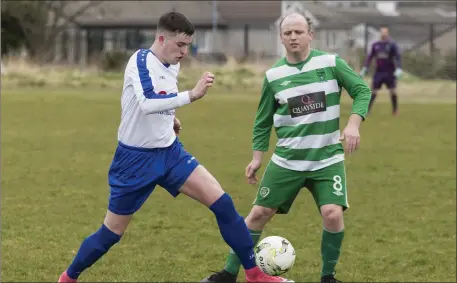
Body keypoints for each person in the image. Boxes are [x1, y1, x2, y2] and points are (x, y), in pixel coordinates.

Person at [58, 12, 292, 283]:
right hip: (134, 161)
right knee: (111, 233)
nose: (185, 51)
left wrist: (170, 120)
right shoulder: (140, 60)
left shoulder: (173, 64)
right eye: (180, 45)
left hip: (170, 154)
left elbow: (160, 100)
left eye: (188, 45)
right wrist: (191, 95)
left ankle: (254, 276)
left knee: (224, 204)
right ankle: (68, 277)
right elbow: (146, 102)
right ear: (161, 38)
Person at [201, 12, 371, 283]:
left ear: (310, 35)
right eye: (288, 33)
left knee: (332, 213)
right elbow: (262, 121)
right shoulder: (274, 76)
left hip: (326, 159)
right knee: (258, 214)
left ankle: (328, 277)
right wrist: (257, 157)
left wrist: (353, 125)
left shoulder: (331, 63)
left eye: (298, 32)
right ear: (281, 38)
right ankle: (228, 273)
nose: (293, 37)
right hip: (287, 161)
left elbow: (362, 90)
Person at [359, 26, 402, 116]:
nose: (383, 34)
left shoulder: (392, 44)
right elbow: (370, 57)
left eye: (385, 32)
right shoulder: (376, 45)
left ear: (387, 33)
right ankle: (367, 111)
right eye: (382, 32)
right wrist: (365, 68)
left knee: (393, 91)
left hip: (390, 72)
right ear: (380, 34)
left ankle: (395, 110)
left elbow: (397, 57)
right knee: (373, 91)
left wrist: (398, 68)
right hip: (379, 72)